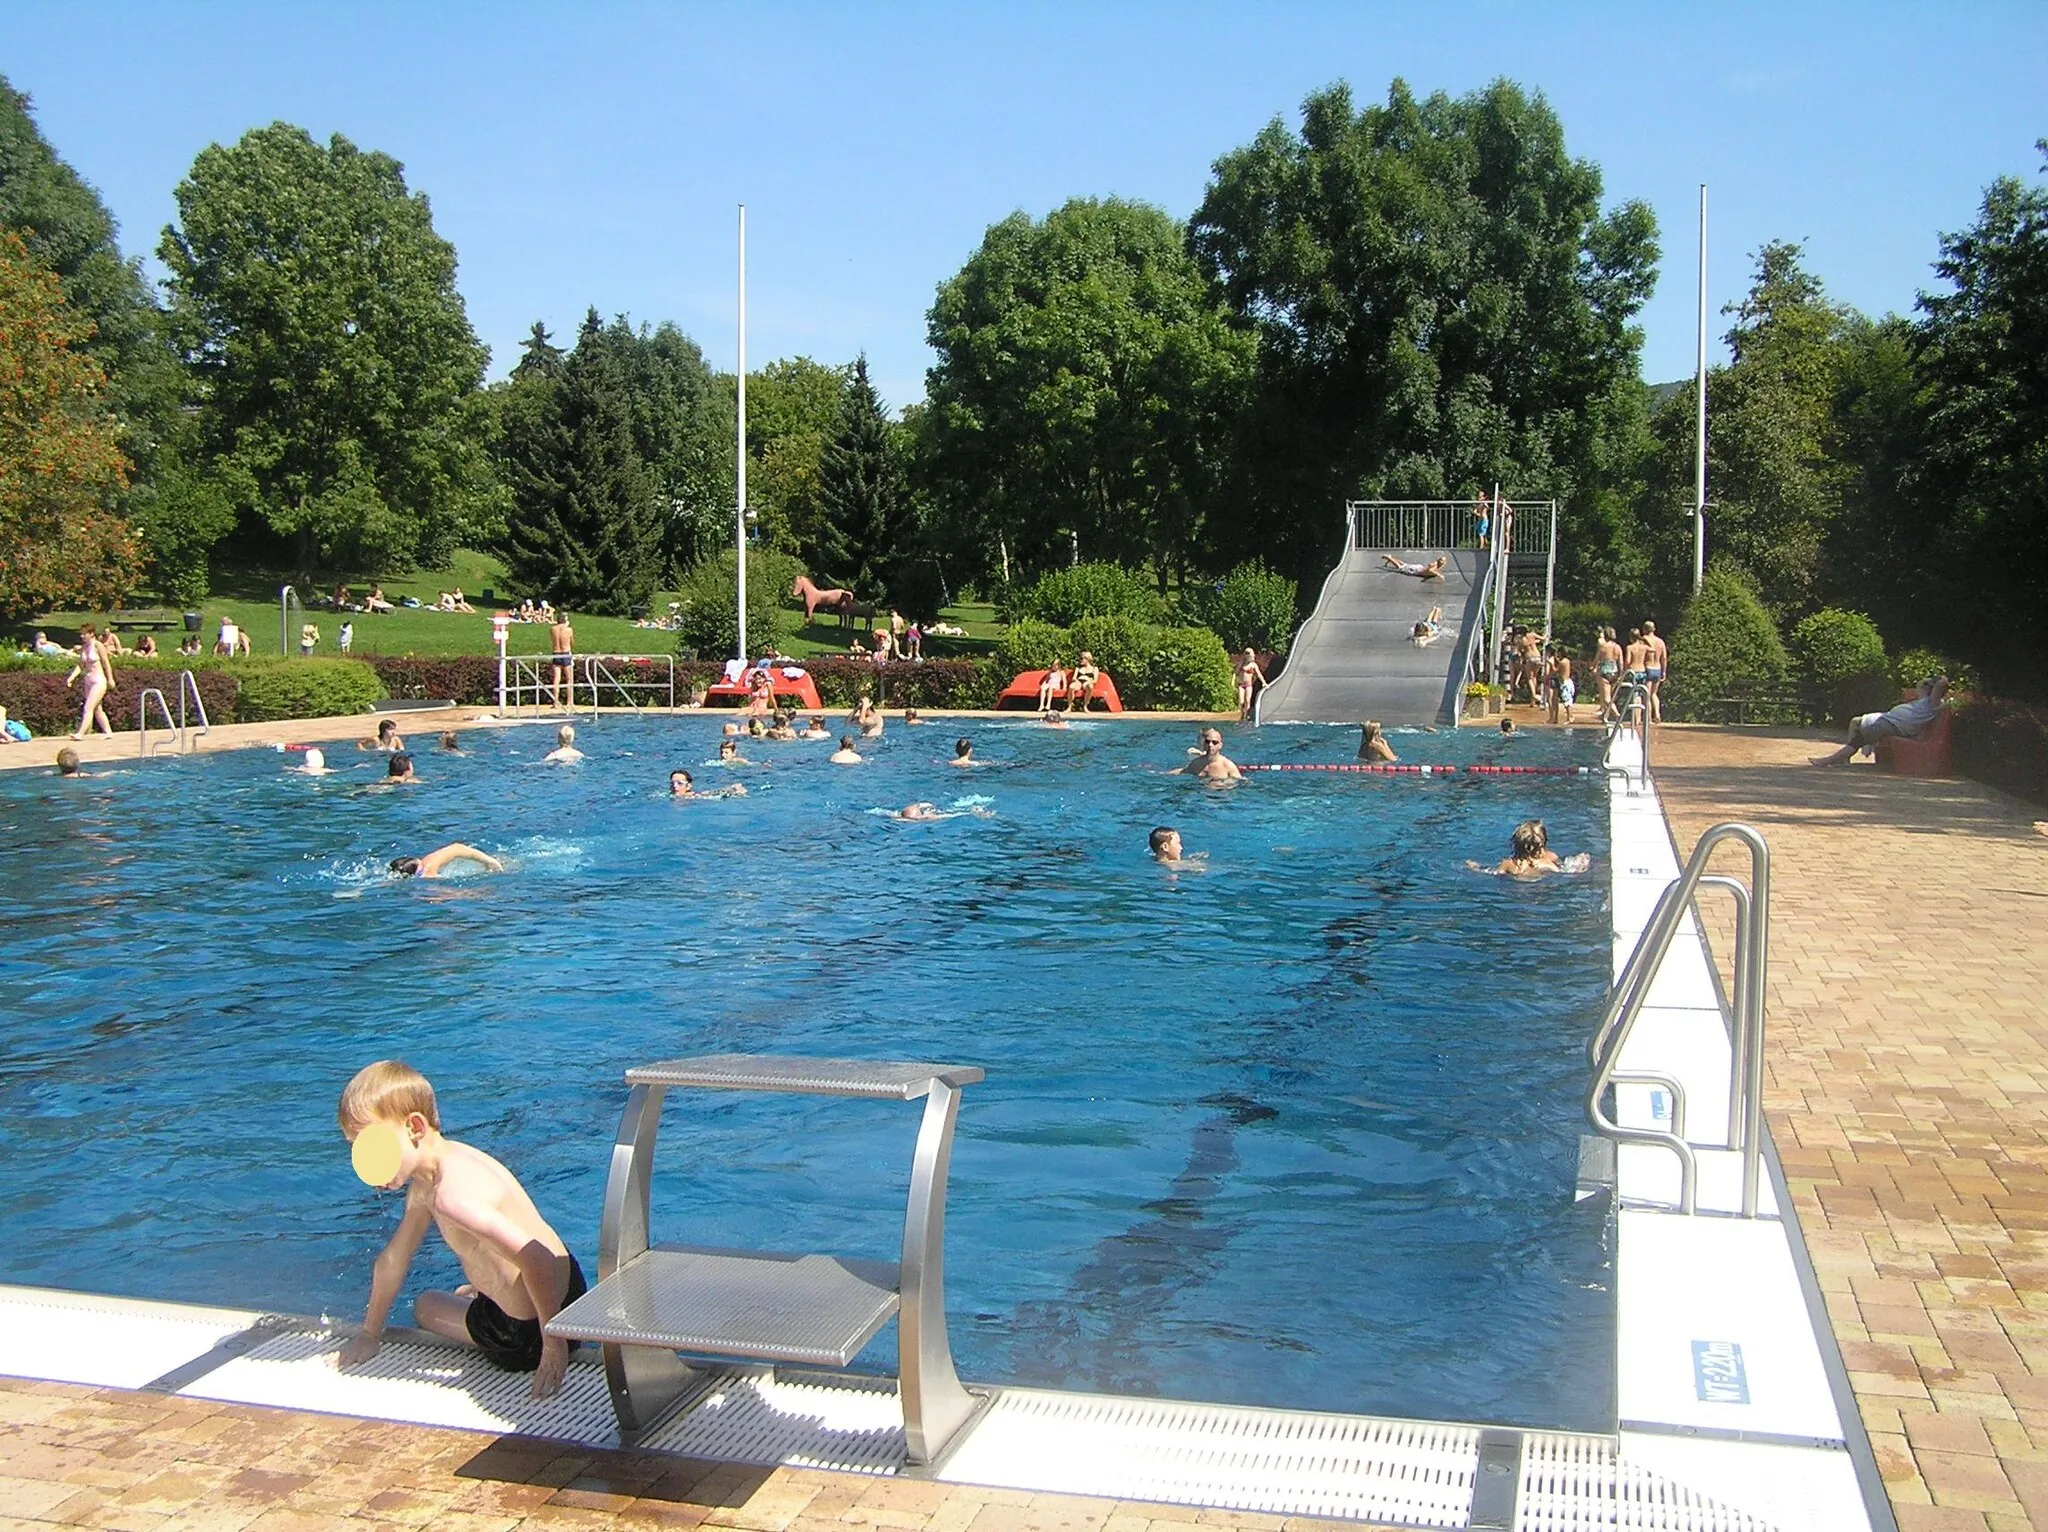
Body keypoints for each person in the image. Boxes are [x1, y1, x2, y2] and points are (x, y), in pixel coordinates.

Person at [334, 1061, 581, 1398]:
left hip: (524, 1334)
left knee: (426, 1305)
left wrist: (554, 1344)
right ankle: (495, 1295)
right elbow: (394, 1259)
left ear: (414, 1127)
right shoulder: (457, 1161)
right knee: (478, 1277)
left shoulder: (449, 1197)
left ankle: (509, 1311)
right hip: (573, 1294)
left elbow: (535, 1257)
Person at [1810, 675, 1952, 766]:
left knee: (1858, 739)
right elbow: (1921, 685)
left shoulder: (1935, 704)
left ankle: (1827, 761)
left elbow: (1941, 684)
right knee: (1859, 734)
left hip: (1894, 725)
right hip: (1890, 722)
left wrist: (1942, 678)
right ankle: (1839, 758)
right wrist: (1928, 681)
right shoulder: (1926, 701)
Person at [1471, 819, 1590, 877]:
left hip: (1517, 881)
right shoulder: (1550, 860)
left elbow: (1493, 873)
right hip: (1542, 881)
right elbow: (1565, 871)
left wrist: (1476, 867)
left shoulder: (1508, 864)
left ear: (1516, 843)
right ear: (1543, 842)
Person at [65, 623, 116, 739]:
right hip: (88, 680)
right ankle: (108, 731)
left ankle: (81, 733)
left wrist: (110, 679)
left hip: (99, 680)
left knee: (88, 707)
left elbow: (106, 663)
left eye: (84, 634)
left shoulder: (98, 646)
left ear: (91, 634)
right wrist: (71, 677)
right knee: (97, 709)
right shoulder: (84, 647)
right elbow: (81, 665)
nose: (82, 636)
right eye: (81, 634)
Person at [388, 844, 502, 878]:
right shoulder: (428, 871)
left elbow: (457, 847)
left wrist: (490, 861)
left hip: (465, 854)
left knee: (501, 864)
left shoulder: (430, 864)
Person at [1177, 727, 1241, 783]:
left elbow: (1240, 783)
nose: (1210, 745)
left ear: (1220, 745)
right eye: (1207, 742)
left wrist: (1224, 784)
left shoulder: (1228, 766)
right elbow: (1183, 771)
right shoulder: (1197, 763)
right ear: (1204, 744)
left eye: (1214, 742)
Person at [1594, 626, 1623, 721]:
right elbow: (1621, 663)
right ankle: (1607, 716)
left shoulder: (1603, 646)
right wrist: (1621, 675)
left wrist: (1592, 666)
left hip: (1604, 671)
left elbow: (1597, 659)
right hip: (1614, 672)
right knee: (1610, 696)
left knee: (1606, 699)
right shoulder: (1618, 647)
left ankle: (1617, 715)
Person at [1641, 620, 1668, 722]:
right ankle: (1657, 714)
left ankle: (1648, 718)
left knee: (1646, 695)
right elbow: (1664, 658)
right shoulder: (1660, 642)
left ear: (1645, 629)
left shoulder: (1644, 640)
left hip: (1648, 667)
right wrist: (1664, 671)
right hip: (1657, 668)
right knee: (1654, 694)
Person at [548, 612, 575, 711]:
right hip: (565, 653)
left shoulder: (552, 629)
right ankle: (569, 702)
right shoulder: (569, 630)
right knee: (569, 679)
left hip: (556, 653)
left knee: (556, 679)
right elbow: (572, 642)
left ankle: (555, 702)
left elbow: (553, 639)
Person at [670, 768, 744, 799]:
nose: (675, 786)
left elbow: (714, 793)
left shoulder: (695, 796)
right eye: (672, 783)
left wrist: (735, 790)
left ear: (688, 786)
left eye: (680, 783)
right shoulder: (667, 795)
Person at [1380, 554, 1447, 580]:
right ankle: (1388, 558)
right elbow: (1430, 570)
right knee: (1400, 567)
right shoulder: (1436, 565)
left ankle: (1391, 558)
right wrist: (1438, 575)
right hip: (1417, 570)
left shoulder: (1437, 564)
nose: (1442, 563)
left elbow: (1430, 567)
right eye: (1441, 561)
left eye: (1443, 561)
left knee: (1404, 564)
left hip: (1419, 567)